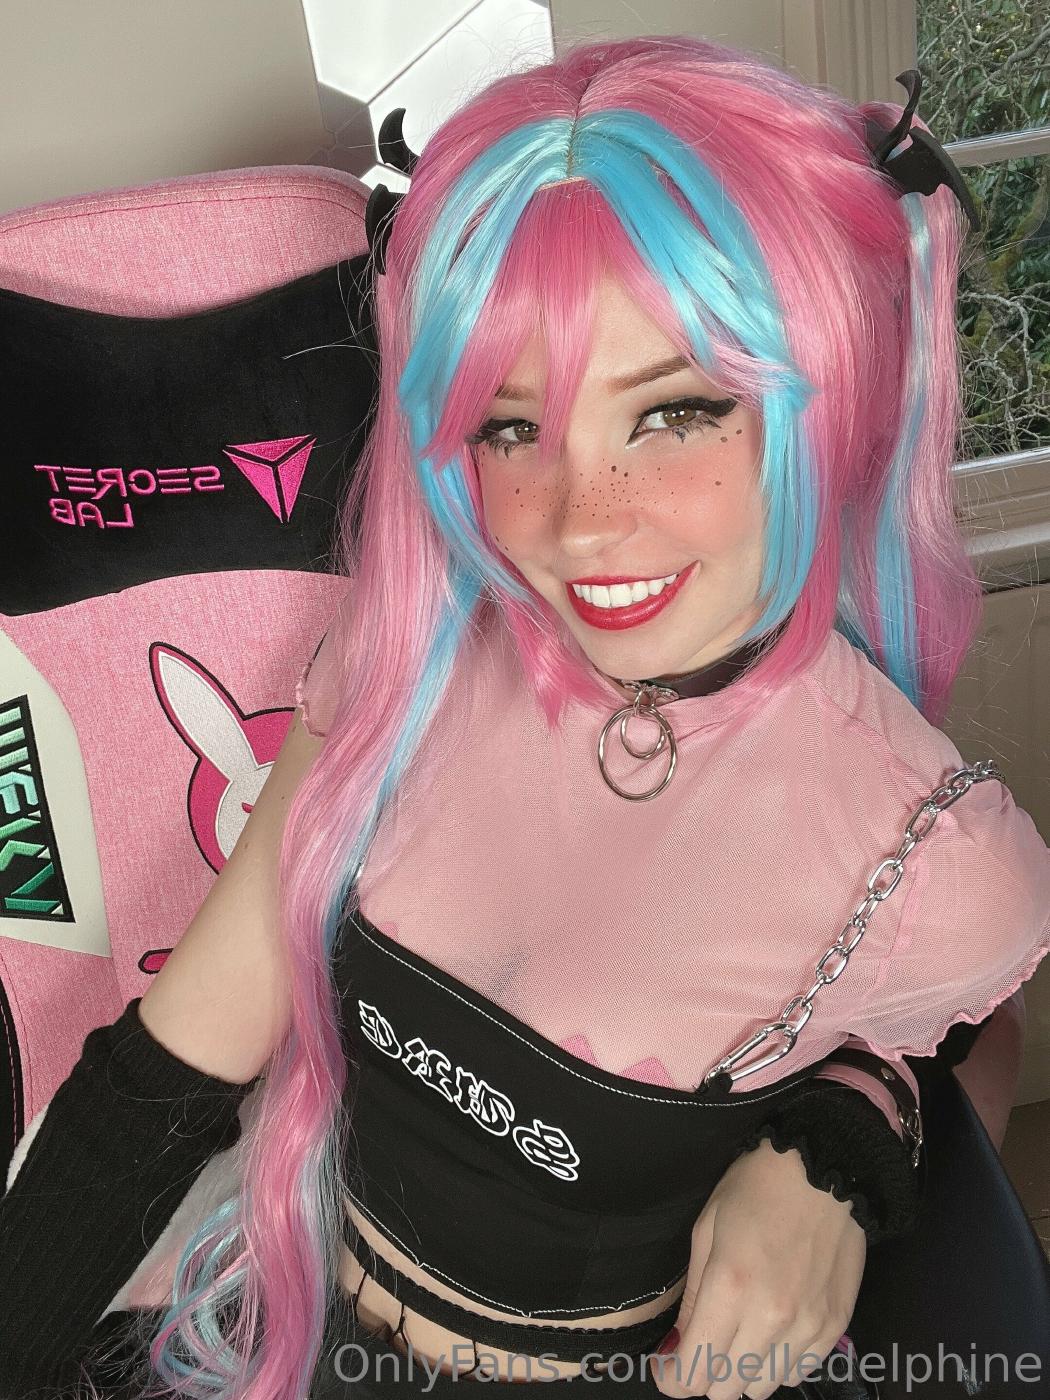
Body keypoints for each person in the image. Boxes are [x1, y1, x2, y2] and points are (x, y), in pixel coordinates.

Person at [2, 31, 1049, 1400]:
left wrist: (845, 1155)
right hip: (296, 1334)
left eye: (673, 413)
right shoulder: (410, 666)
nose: (578, 523)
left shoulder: (937, 852)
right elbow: (170, 1070)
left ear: (834, 399)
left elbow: (957, 1032)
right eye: (509, 429)